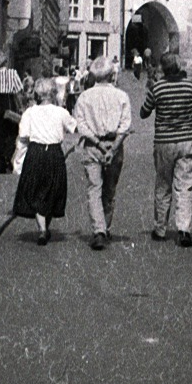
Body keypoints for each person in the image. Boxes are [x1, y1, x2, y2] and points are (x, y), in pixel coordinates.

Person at [140, 49, 192, 247]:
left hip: (164, 142)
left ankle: (160, 229)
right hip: (186, 140)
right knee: (184, 186)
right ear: (178, 66)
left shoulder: (158, 88)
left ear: (163, 69)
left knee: (163, 185)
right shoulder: (191, 86)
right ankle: (184, 230)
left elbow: (144, 112)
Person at [74, 54, 132, 250]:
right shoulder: (121, 96)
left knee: (94, 188)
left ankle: (99, 230)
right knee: (110, 189)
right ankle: (104, 228)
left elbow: (80, 125)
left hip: (92, 146)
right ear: (111, 74)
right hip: (114, 145)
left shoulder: (84, 96)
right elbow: (125, 126)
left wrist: (98, 143)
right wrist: (113, 147)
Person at [12, 76, 77, 244]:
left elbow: (24, 136)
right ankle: (43, 227)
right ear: (53, 93)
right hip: (54, 153)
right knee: (51, 190)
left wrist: (18, 158)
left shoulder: (30, 112)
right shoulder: (61, 112)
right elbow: (72, 126)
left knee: (36, 190)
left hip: (36, 152)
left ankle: (42, 228)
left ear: (38, 94)